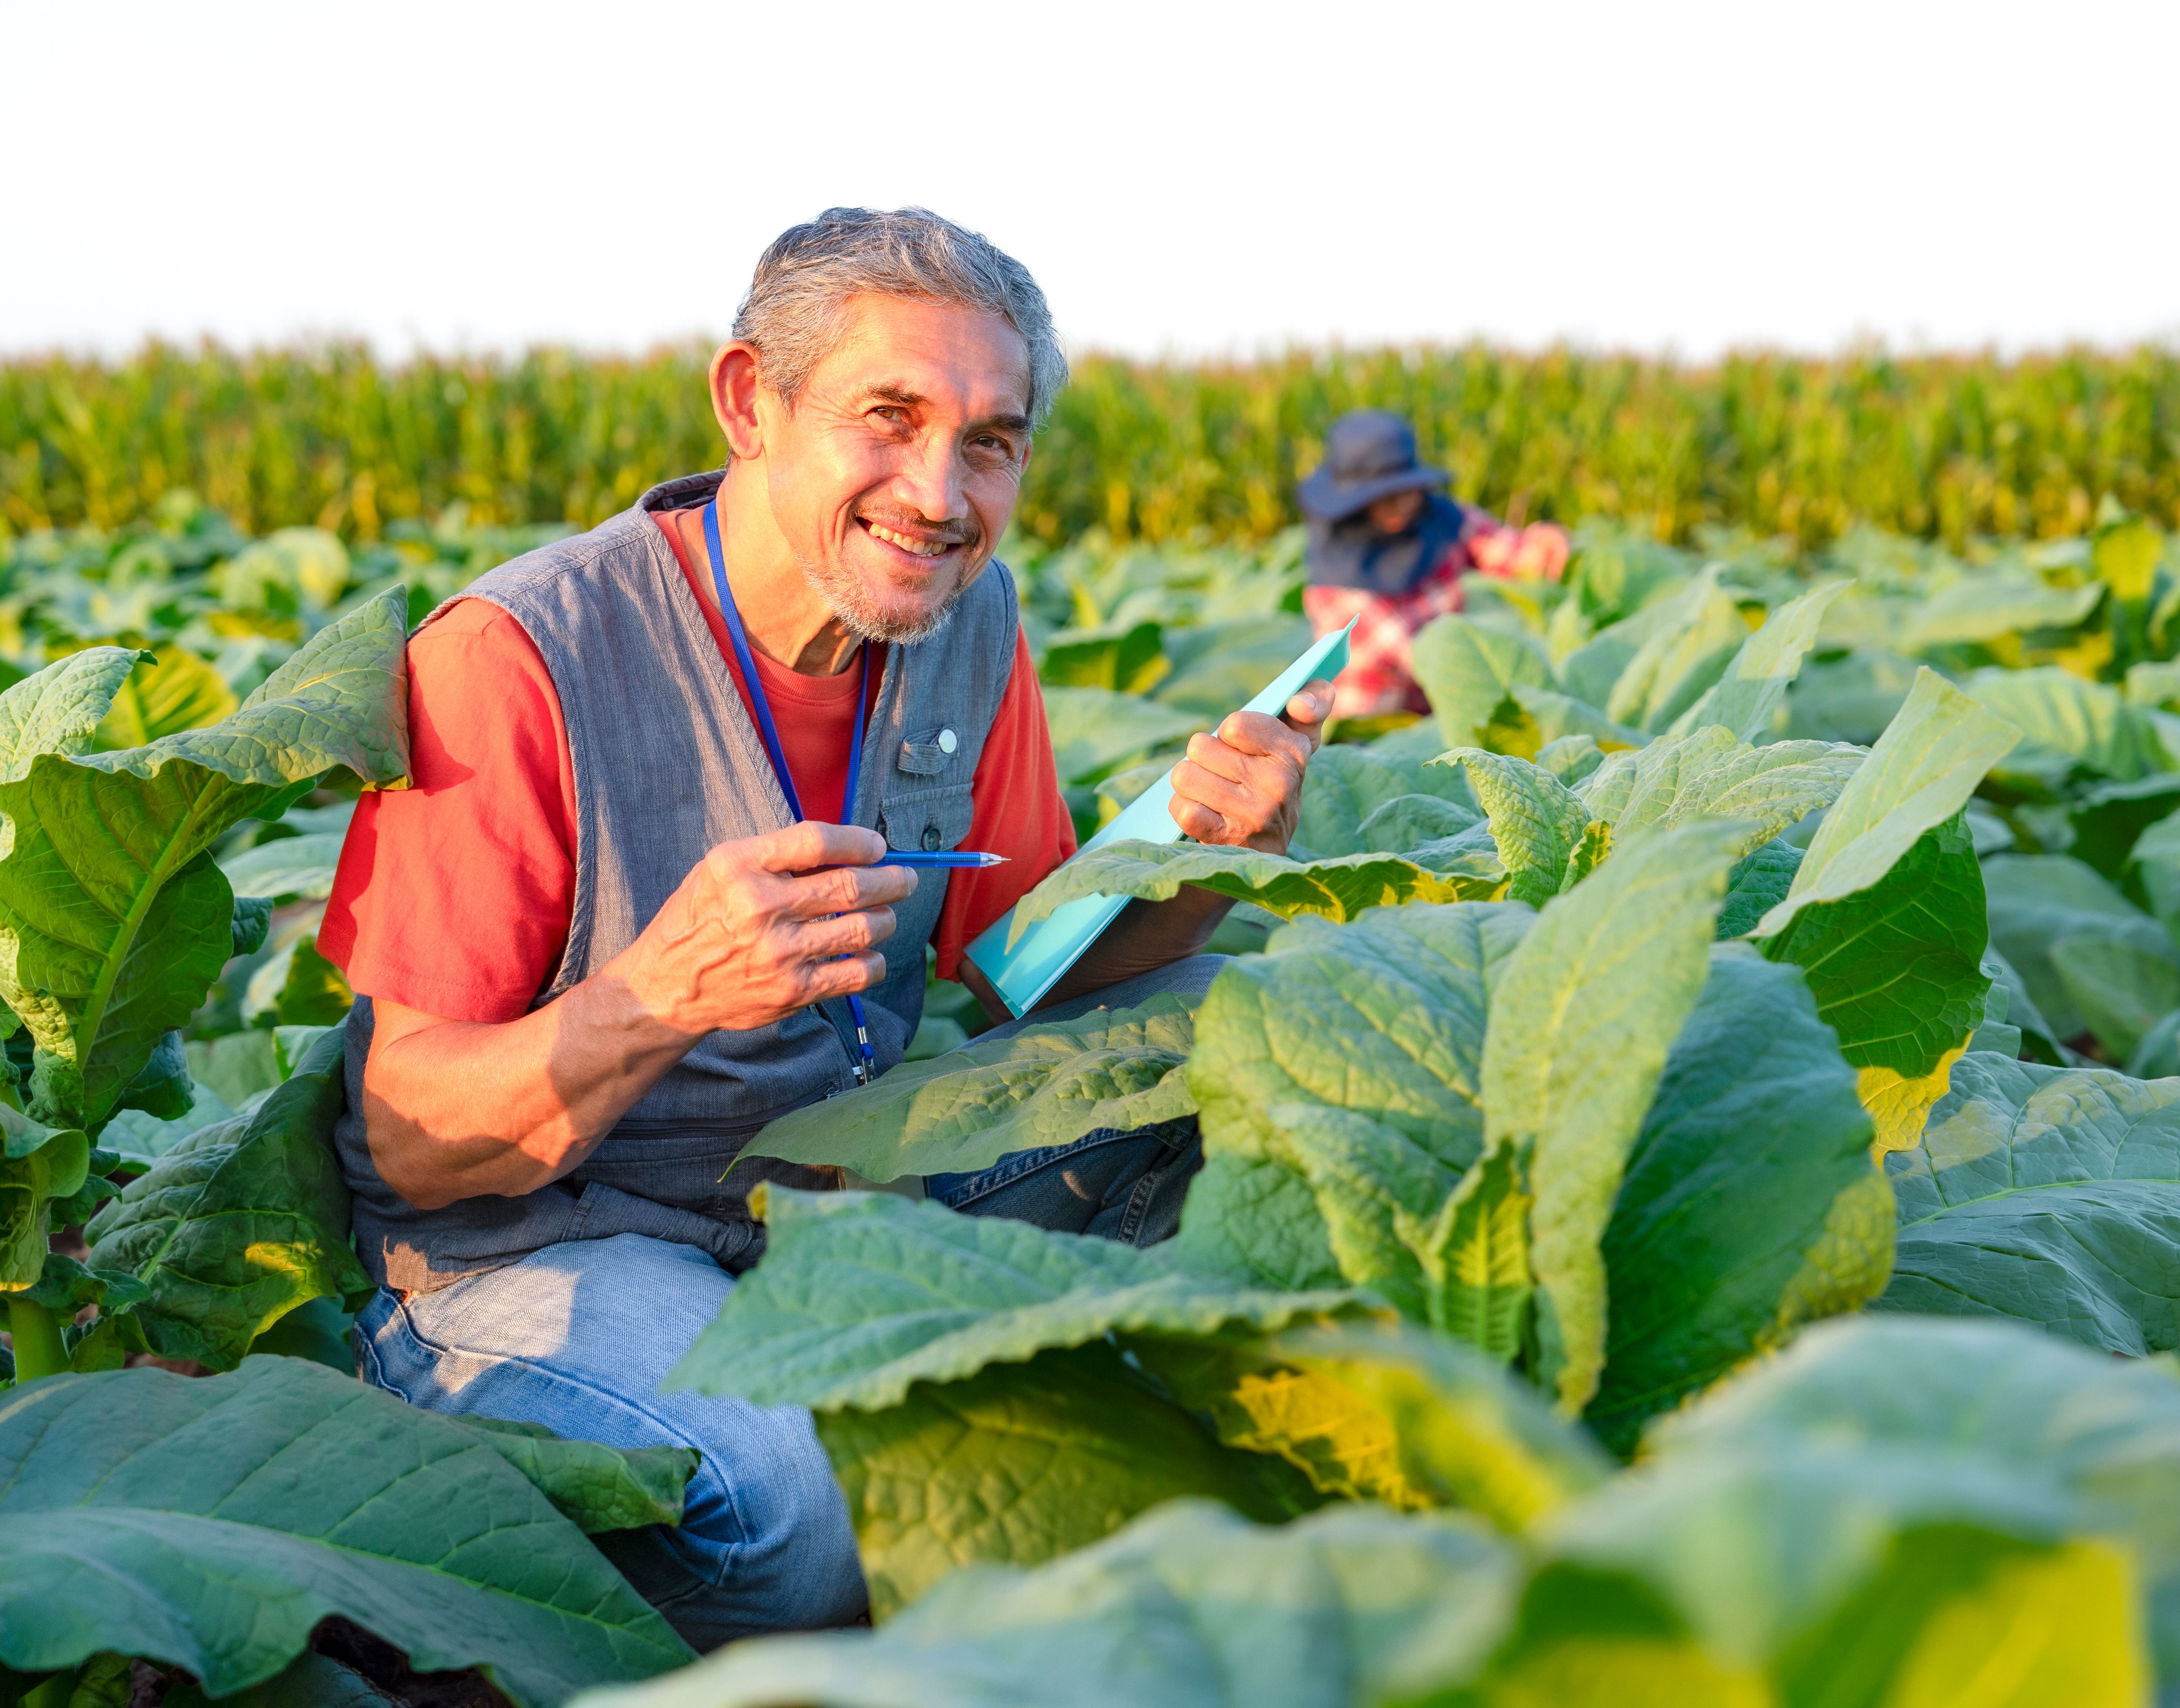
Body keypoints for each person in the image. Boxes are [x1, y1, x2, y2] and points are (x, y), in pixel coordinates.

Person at [316, 209, 1331, 1648]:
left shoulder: (968, 624)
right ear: (750, 403)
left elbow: (1028, 968)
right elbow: (412, 1138)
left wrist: (1206, 858)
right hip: (550, 1244)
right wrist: (659, 994)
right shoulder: (514, 659)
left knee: (1239, 1072)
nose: (939, 491)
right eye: (891, 417)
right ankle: (426, 1452)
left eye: (991, 440)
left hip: (840, 1191)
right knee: (784, 1518)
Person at [1297, 409, 1570, 717]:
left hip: (1440, 711)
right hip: (1365, 725)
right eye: (1386, 496)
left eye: (1407, 490)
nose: (1401, 504)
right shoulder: (1335, 573)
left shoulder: (1440, 521)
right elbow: (1420, 656)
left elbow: (1507, 551)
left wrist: (1543, 544)